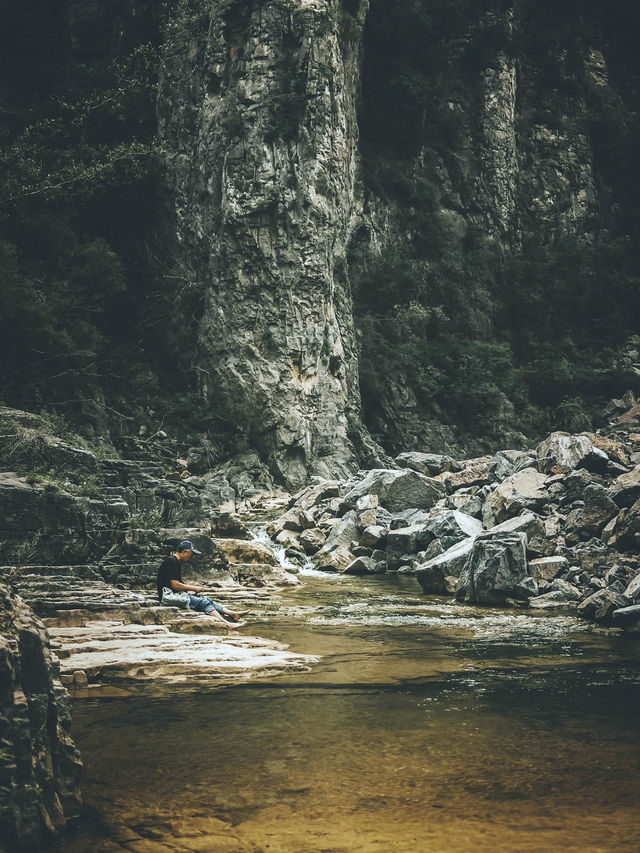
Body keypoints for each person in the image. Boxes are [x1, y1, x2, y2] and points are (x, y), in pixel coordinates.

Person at [156, 540, 248, 630]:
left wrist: (189, 589)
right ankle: (227, 624)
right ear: (185, 552)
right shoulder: (172, 561)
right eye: (191, 554)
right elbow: (175, 585)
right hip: (168, 596)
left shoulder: (175, 562)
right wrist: (194, 588)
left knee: (207, 600)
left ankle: (232, 614)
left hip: (174, 594)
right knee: (203, 603)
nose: (191, 557)